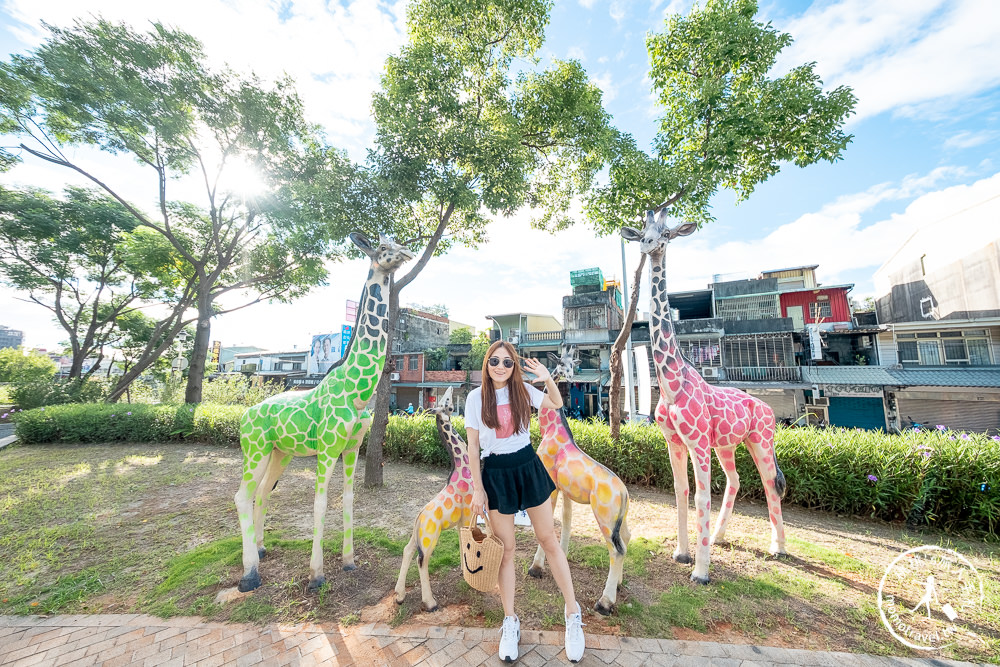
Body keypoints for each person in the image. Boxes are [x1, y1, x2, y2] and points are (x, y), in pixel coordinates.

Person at [466, 341, 585, 663]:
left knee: (548, 540)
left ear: (514, 366)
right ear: (486, 364)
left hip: (527, 466)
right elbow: (473, 447)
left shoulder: (523, 391)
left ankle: (572, 614)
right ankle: (510, 621)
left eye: (507, 362)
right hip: (496, 473)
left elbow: (557, 403)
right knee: (506, 550)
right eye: (494, 361)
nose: (501, 366)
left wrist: (547, 378)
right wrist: (478, 489)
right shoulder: (476, 398)